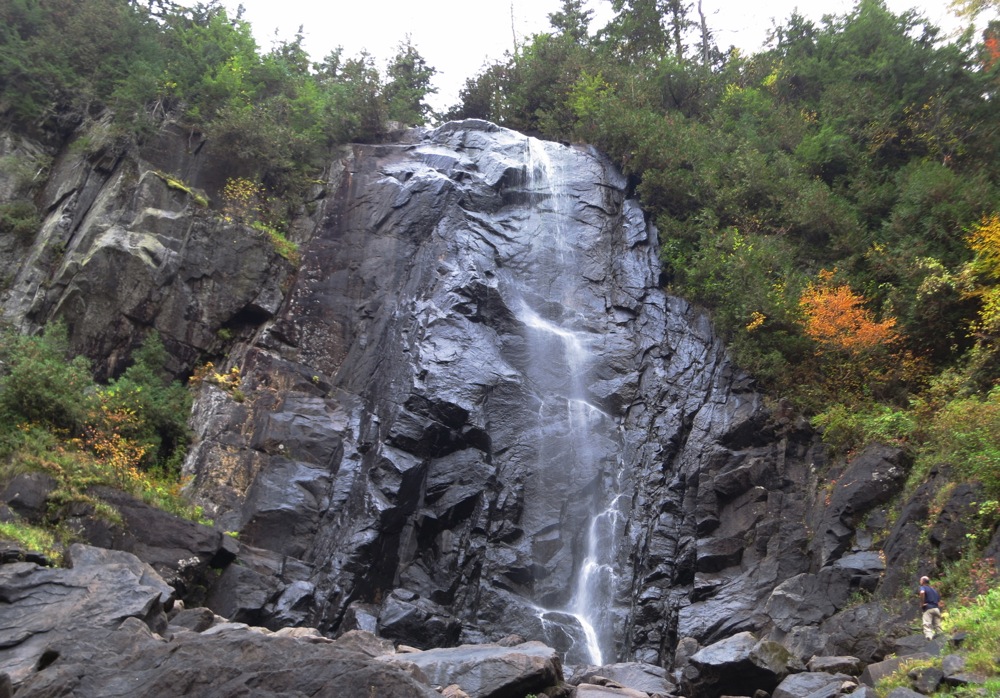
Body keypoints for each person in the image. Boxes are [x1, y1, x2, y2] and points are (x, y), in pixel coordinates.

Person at [918, 575, 943, 640]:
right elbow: (938, 600)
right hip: (936, 609)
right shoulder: (934, 590)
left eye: (920, 580)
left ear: (923, 581)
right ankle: (941, 638)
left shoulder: (923, 587)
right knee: (938, 625)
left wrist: (922, 603)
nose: (920, 581)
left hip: (928, 609)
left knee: (927, 624)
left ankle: (929, 638)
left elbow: (922, 592)